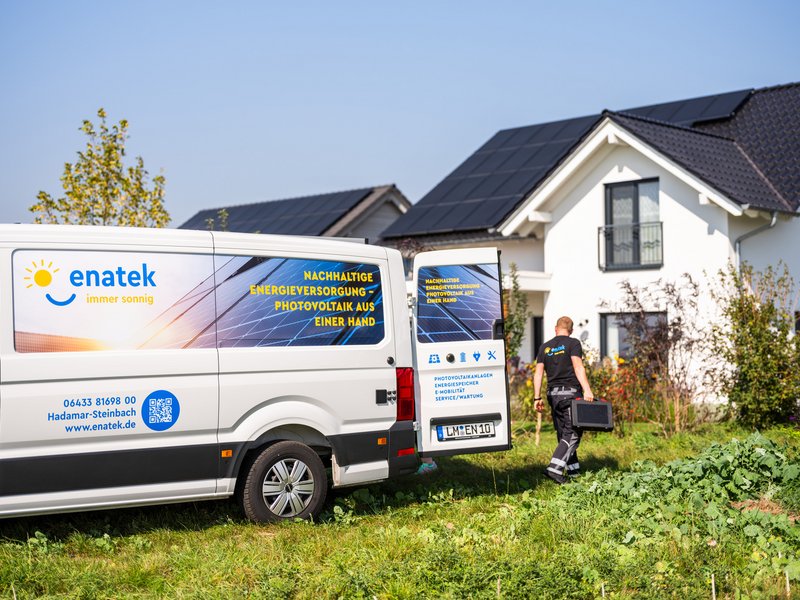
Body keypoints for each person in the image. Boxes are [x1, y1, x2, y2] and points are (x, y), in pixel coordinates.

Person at [533, 316, 594, 484]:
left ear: (555, 328)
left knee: (563, 434)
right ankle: (554, 469)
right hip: (570, 394)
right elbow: (578, 367)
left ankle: (573, 473)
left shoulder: (545, 347)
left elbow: (538, 374)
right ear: (571, 330)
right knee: (572, 433)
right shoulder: (573, 343)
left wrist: (536, 397)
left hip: (553, 395)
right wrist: (587, 389)